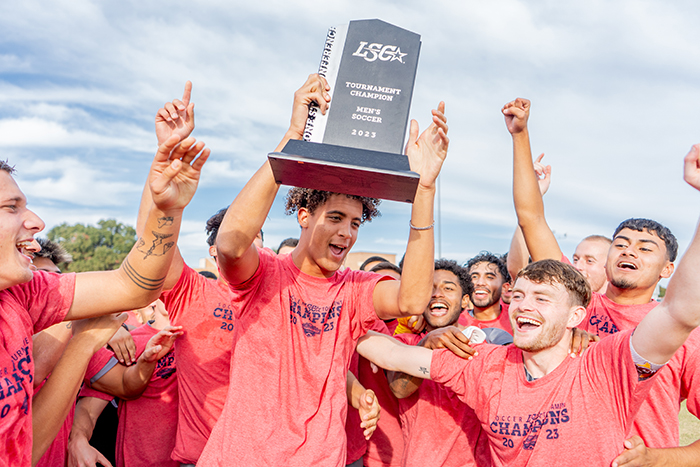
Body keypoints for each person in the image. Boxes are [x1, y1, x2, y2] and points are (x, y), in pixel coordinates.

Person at [197, 73, 449, 466]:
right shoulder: (264, 273)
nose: (347, 233)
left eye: (355, 223)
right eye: (335, 217)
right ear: (303, 216)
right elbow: (230, 244)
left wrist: (425, 190)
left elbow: (412, 298)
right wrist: (294, 135)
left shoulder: (354, 289)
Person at [357, 211, 700, 466]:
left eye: (542, 299)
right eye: (519, 295)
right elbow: (389, 353)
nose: (523, 307)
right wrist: (337, 306)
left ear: (576, 317)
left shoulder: (606, 367)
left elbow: (679, 311)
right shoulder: (485, 364)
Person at [503, 97, 700, 463]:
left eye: (645, 248)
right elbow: (531, 218)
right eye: (622, 244)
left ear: (667, 270)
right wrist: (519, 134)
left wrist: (656, 458)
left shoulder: (680, 331)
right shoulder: (571, 303)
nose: (629, 252)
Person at [0, 123, 208, 467]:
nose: (37, 222)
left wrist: (167, 209)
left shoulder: (23, 294)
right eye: (12, 207)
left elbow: (134, 285)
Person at [388, 259, 492, 467]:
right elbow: (399, 389)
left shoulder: (483, 343)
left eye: (448, 288)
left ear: (464, 301)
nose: (437, 294)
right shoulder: (405, 343)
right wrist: (427, 345)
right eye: (430, 288)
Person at [461, 252, 512, 333]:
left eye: (489, 277)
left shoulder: (517, 318)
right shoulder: (455, 322)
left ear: (504, 288)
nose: (480, 283)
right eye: (474, 277)